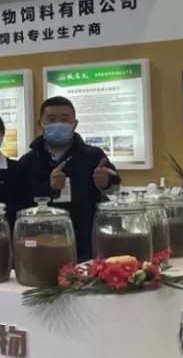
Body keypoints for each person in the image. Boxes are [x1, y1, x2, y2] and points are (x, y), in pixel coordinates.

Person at [17, 96, 120, 262]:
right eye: (51, 119)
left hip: (86, 244)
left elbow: (115, 186)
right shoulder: (27, 161)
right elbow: (21, 201)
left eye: (64, 119)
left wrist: (106, 182)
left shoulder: (93, 156)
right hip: (41, 244)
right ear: (40, 124)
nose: (58, 124)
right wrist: (49, 188)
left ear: (75, 124)